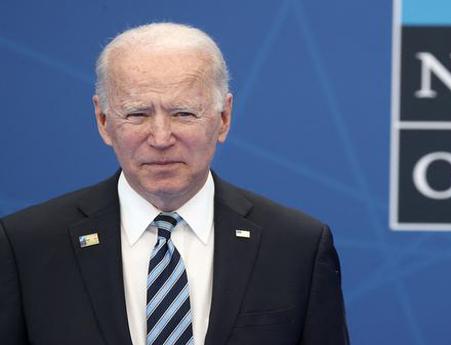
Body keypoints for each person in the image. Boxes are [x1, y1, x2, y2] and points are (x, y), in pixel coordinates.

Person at [0, 23, 349, 345]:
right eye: (137, 114)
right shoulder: (26, 246)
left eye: (183, 113)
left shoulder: (297, 247)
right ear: (103, 121)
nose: (161, 137)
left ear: (223, 118)